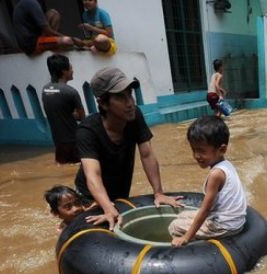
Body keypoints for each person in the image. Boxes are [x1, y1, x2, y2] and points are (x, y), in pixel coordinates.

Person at [74, 67, 181, 230]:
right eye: (120, 97)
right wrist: (107, 207)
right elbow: (92, 174)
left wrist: (158, 193)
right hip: (90, 197)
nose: (130, 103)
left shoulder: (135, 116)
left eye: (129, 94)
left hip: (120, 190)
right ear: (103, 103)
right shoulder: (87, 131)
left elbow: (147, 154)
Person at [169, 116, 247, 247]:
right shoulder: (226, 164)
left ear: (221, 149)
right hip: (232, 220)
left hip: (225, 225)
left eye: (201, 151)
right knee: (182, 215)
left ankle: (193, 251)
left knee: (174, 226)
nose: (196, 156)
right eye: (193, 150)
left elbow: (205, 209)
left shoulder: (216, 174)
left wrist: (186, 237)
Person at [42, 54, 85, 164]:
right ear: (63, 71)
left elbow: (58, 111)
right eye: (70, 68)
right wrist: (73, 114)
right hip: (73, 142)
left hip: (58, 143)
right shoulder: (71, 92)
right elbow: (82, 118)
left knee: (63, 168)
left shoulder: (45, 90)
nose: (72, 70)